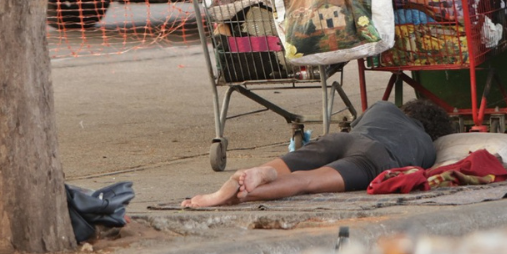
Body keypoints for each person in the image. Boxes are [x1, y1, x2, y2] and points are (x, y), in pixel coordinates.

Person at [182, 100, 454, 207]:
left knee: (286, 164)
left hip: (343, 139)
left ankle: (261, 172)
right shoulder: (427, 146)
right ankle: (243, 195)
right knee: (305, 181)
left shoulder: (385, 107)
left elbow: (355, 125)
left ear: (407, 111)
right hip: (376, 157)